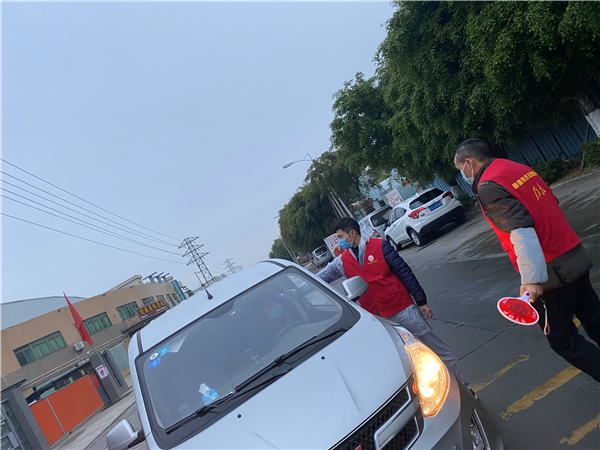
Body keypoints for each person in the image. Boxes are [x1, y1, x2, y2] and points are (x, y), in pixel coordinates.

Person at [454, 139, 600, 382]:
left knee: (563, 340)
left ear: (469, 162)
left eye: (461, 169)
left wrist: (532, 280)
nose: (464, 175)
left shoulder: (489, 186)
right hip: (572, 254)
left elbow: (520, 231)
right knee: (595, 320)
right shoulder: (517, 169)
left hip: (552, 273)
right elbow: (550, 202)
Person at [317, 217, 472, 390]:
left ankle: (465, 388)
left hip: (402, 309)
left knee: (436, 348)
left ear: (352, 233)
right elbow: (322, 276)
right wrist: (296, 284)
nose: (339, 242)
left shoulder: (380, 247)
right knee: (408, 359)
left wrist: (421, 301)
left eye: (340, 237)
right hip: (379, 319)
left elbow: (404, 272)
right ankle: (438, 390)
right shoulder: (342, 261)